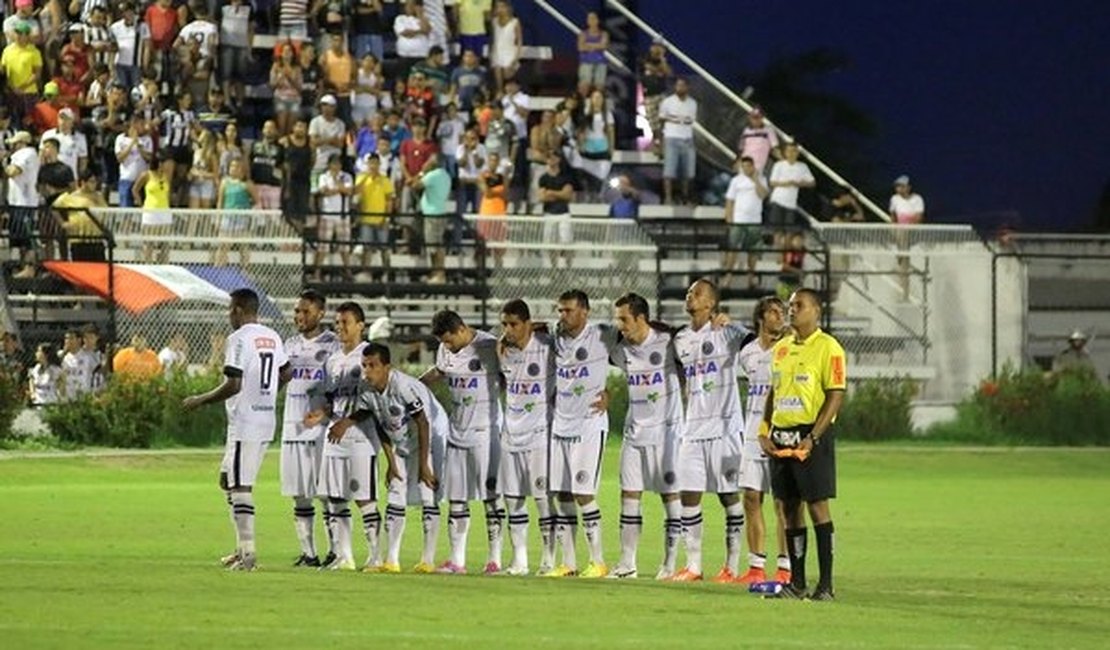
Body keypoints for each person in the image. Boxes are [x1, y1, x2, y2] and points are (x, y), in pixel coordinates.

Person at [183, 288, 291, 572]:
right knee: (227, 481)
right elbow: (287, 371)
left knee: (241, 486)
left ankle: (249, 555)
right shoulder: (273, 336)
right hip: (263, 419)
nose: (229, 315)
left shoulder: (239, 338)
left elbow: (234, 384)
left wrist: (200, 400)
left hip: (247, 422)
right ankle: (240, 549)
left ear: (240, 310)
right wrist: (267, 395)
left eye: (231, 309)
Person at [760, 288, 846, 601]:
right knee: (788, 508)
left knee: (817, 506)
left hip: (811, 436)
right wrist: (763, 430)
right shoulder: (781, 348)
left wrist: (814, 437)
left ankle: (826, 584)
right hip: (781, 436)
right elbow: (774, 392)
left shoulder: (829, 348)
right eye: (790, 305)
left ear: (816, 311)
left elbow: (836, 394)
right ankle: (796, 583)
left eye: (799, 305)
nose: (791, 310)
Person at [671, 279, 751, 582]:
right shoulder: (679, 339)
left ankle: (731, 566)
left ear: (711, 303)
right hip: (692, 429)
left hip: (725, 428)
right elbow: (677, 371)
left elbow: (756, 343)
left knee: (728, 496)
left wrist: (736, 325)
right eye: (689, 292)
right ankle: (693, 566)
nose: (690, 295)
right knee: (688, 494)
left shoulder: (726, 332)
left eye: (697, 292)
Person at [421, 310, 505, 574]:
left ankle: (495, 559)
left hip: (486, 431)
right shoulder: (445, 350)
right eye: (442, 343)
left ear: (461, 329)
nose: (446, 347)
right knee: (456, 498)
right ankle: (457, 560)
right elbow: (439, 372)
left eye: (449, 340)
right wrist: (413, 386)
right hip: (456, 432)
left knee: (491, 496)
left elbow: (509, 378)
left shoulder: (489, 346)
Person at [608, 293, 684, 580]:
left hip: (667, 434)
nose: (620, 325)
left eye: (624, 319)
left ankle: (669, 564)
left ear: (641, 318)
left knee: (670, 496)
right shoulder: (619, 349)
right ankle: (627, 564)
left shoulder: (669, 343)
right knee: (629, 495)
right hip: (634, 433)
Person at [303, 301, 382, 572]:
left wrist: (346, 422)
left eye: (345, 322)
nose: (340, 327)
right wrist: (321, 414)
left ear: (360, 325)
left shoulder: (368, 356)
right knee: (335, 498)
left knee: (365, 498)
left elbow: (375, 400)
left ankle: (375, 557)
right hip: (334, 436)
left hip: (360, 438)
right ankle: (345, 557)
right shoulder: (333, 359)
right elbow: (332, 399)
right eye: (337, 323)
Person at [357, 342, 447, 573]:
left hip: (430, 436)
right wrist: (391, 462)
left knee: (428, 494)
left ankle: (427, 560)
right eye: (364, 365)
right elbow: (380, 424)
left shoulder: (404, 387)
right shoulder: (366, 390)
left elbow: (423, 423)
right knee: (395, 492)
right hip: (402, 442)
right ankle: (391, 560)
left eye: (373, 365)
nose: (367, 371)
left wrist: (425, 465)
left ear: (387, 367)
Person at [547, 289, 619, 578]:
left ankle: (598, 561)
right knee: (561, 493)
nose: (562, 316)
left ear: (584, 312)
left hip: (589, 424)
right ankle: (569, 563)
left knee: (583, 493)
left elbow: (639, 346)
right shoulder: (555, 335)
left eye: (568, 311)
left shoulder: (603, 334)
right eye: (560, 310)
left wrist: (610, 393)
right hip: (560, 425)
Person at [280, 290, 341, 567]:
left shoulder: (333, 345)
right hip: (292, 429)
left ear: (320, 313)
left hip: (321, 431)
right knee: (299, 494)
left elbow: (340, 389)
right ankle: (309, 554)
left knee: (325, 493)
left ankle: (335, 551)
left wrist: (326, 412)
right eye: (296, 312)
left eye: (305, 311)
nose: (299, 316)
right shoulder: (288, 344)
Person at [734, 296, 792, 585]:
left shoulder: (789, 350)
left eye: (783, 312)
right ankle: (756, 567)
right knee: (751, 498)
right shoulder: (747, 354)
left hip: (780, 433)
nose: (780, 316)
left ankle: (785, 567)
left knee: (783, 502)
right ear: (761, 317)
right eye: (774, 311)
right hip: (751, 433)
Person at [496, 299, 557, 575]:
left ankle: (548, 558)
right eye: (505, 324)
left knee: (542, 498)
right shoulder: (503, 351)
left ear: (527, 323)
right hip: (511, 436)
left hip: (540, 435)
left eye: (513, 324)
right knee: (513, 500)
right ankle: (519, 560)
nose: (508, 330)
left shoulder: (547, 347)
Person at [722, 156, 769, 290]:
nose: (747, 168)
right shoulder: (736, 181)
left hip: (754, 220)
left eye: (749, 166)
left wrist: (755, 181)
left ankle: (751, 278)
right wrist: (728, 217)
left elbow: (763, 195)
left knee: (753, 250)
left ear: (753, 166)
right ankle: (728, 277)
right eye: (744, 166)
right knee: (733, 249)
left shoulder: (761, 179)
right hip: (739, 219)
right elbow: (729, 200)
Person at [5, 130, 40, 279]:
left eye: (14, 143)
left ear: (21, 143)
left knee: (27, 238)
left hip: (25, 203)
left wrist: (3, 162)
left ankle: (30, 268)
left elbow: (13, 171)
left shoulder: (27, 154)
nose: (12, 146)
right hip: (15, 202)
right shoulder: (19, 155)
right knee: (17, 238)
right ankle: (20, 267)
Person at [314, 154, 354, 280]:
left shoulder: (346, 176)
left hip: (343, 214)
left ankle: (348, 272)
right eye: (334, 163)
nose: (336, 166)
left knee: (344, 246)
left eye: (338, 163)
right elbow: (323, 191)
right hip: (327, 214)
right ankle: (317, 273)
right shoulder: (323, 177)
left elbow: (348, 191)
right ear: (329, 165)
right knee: (322, 246)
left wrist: (336, 187)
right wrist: (339, 188)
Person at [354, 153, 395, 277]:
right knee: (366, 247)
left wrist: (387, 217)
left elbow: (389, 200)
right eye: (370, 163)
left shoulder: (385, 180)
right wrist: (365, 177)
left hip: (381, 219)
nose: (373, 166)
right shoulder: (361, 178)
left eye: (375, 163)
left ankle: (387, 273)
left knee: (384, 247)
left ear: (379, 164)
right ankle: (366, 272)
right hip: (366, 218)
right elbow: (355, 193)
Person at [414, 155, 452, 283]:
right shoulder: (446, 175)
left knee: (434, 245)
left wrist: (422, 172)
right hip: (440, 212)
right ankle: (435, 273)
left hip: (432, 214)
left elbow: (415, 185)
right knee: (436, 244)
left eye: (429, 160)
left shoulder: (433, 175)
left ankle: (439, 274)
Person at [659, 77, 697, 206]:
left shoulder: (693, 103)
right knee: (669, 171)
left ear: (687, 87)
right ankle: (668, 198)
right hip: (671, 138)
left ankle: (685, 197)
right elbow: (662, 120)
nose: (680, 88)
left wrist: (677, 119)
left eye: (683, 85)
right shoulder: (667, 102)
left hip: (687, 138)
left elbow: (690, 120)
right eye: (678, 85)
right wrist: (660, 141)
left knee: (688, 171)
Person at [768, 141, 815, 241]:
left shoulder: (802, 166)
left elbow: (812, 182)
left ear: (797, 153)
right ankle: (778, 254)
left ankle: (786, 254)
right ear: (785, 152)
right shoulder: (779, 165)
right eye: (789, 151)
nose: (791, 153)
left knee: (789, 231)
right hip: (777, 200)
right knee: (777, 231)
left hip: (791, 203)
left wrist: (798, 184)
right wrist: (786, 183)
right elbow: (772, 182)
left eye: (794, 151)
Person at [132, 153, 173, 263]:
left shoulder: (166, 176)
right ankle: (148, 263)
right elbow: (135, 189)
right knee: (148, 242)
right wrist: (141, 205)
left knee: (164, 242)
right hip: (150, 212)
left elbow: (167, 193)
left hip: (164, 211)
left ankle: (164, 264)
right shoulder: (146, 175)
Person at [538, 153, 574, 267]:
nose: (550, 159)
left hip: (563, 213)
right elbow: (542, 197)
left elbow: (568, 195)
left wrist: (551, 192)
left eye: (553, 157)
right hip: (549, 213)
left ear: (558, 159)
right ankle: (554, 268)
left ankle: (568, 268)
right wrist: (560, 193)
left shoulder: (566, 177)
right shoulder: (543, 178)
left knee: (567, 243)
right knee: (550, 244)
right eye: (548, 157)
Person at [476, 151, 508, 268]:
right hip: (486, 213)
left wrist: (495, 191)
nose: (493, 163)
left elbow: (505, 193)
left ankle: (499, 273)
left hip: (499, 214)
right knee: (482, 246)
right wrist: (498, 190)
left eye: (495, 160)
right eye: (491, 160)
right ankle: (480, 272)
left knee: (499, 248)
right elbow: (487, 192)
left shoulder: (502, 177)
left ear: (498, 162)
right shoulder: (482, 176)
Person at [640, 38, 671, 155]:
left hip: (661, 94)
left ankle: (662, 146)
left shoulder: (663, 61)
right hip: (648, 95)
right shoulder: (644, 57)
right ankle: (656, 143)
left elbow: (668, 72)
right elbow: (648, 67)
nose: (657, 49)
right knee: (652, 123)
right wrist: (658, 71)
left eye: (660, 47)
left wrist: (662, 59)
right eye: (655, 46)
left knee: (663, 122)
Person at [489, 0, 521, 93]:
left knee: (507, 74)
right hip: (497, 52)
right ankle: (500, 91)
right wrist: (491, 53)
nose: (500, 9)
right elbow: (493, 38)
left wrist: (516, 57)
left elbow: (519, 40)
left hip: (510, 52)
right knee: (497, 70)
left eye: (502, 6)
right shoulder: (494, 21)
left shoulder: (515, 22)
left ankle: (509, 93)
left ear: (507, 8)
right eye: (498, 7)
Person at [738, 107, 779, 175]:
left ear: (762, 118)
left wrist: (784, 161)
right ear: (750, 118)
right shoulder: (746, 131)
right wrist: (738, 161)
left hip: (758, 166)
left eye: (758, 117)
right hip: (744, 164)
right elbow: (741, 148)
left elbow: (775, 148)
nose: (756, 120)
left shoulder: (768, 130)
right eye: (754, 118)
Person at [577, 12, 609, 91]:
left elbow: (603, 46)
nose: (591, 20)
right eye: (589, 19)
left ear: (598, 20)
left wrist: (588, 44)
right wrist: (597, 45)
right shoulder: (583, 34)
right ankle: (581, 102)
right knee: (584, 85)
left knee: (600, 86)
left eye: (593, 18)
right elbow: (580, 48)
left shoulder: (604, 34)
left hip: (600, 62)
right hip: (586, 62)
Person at [60, 330, 92, 401]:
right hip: (67, 396)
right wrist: (64, 352)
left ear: (79, 340)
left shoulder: (87, 356)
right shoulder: (62, 356)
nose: (68, 341)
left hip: (83, 395)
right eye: (66, 338)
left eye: (71, 338)